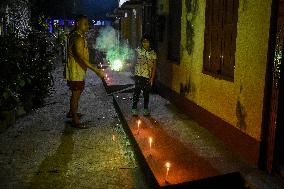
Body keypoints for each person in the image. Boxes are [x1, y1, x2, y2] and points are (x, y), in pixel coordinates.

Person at [65, 15, 104, 128]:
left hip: (76, 71)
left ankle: (71, 113)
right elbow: (81, 58)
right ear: (78, 24)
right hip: (76, 71)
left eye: (87, 24)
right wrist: (96, 70)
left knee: (76, 93)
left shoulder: (74, 35)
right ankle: (75, 121)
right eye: (85, 24)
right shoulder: (78, 38)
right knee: (76, 95)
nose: (87, 26)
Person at [132, 35, 157, 116]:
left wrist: (152, 79)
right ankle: (134, 108)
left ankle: (146, 108)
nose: (145, 43)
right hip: (138, 75)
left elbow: (154, 68)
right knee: (137, 92)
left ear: (150, 42)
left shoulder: (153, 53)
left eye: (147, 41)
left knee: (146, 93)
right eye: (143, 41)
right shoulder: (138, 51)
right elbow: (133, 61)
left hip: (147, 76)